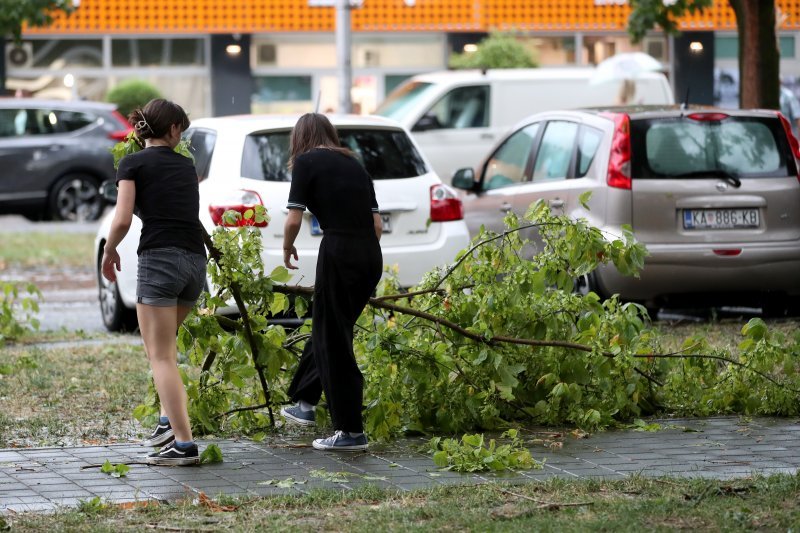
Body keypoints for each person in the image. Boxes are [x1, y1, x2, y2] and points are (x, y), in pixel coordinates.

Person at [101, 98, 205, 466]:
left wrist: (109, 250)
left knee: (160, 356)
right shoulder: (187, 165)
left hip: (160, 261)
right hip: (194, 264)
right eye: (182, 128)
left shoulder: (132, 163)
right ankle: (166, 423)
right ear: (173, 129)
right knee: (167, 351)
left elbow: (122, 219)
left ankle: (184, 444)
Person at [279, 113, 383, 452]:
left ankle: (351, 431)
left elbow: (294, 217)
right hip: (369, 254)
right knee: (329, 329)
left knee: (334, 340)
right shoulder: (355, 164)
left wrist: (287, 245)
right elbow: (377, 224)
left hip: (338, 251)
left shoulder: (306, 163)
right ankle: (305, 403)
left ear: (300, 138)